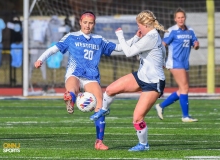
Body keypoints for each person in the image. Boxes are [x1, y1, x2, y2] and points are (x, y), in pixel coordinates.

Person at [34, 11, 125, 150]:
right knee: (72, 90)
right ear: (80, 22)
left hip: (91, 77)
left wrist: (135, 39)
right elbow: (54, 49)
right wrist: (41, 59)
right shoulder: (71, 37)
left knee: (100, 104)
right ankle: (70, 99)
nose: (88, 26)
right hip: (74, 74)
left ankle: (99, 142)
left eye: (91, 23)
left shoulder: (99, 39)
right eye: (85, 22)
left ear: (94, 24)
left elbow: (119, 48)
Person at [90, 10, 168, 151]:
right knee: (110, 90)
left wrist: (120, 35)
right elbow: (162, 50)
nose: (139, 29)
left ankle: (144, 145)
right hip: (141, 76)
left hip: (153, 82)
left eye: (139, 26)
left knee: (137, 118)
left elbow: (128, 53)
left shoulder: (151, 37)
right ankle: (104, 110)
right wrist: (162, 61)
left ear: (145, 25)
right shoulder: (151, 36)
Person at [154, 8, 200, 122]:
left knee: (182, 89)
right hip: (174, 62)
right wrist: (161, 60)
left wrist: (196, 44)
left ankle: (161, 106)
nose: (180, 19)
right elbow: (162, 45)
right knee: (184, 88)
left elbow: (195, 43)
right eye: (178, 17)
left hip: (185, 63)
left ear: (185, 18)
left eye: (182, 17)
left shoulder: (190, 30)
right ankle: (185, 116)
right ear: (175, 19)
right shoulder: (172, 31)